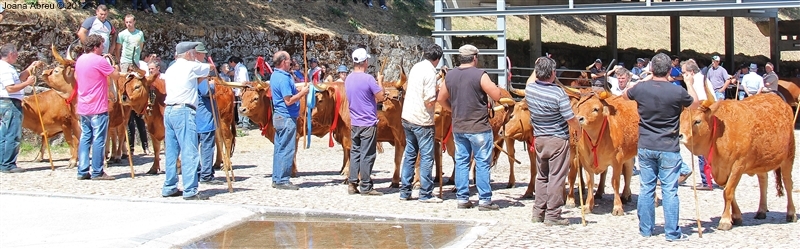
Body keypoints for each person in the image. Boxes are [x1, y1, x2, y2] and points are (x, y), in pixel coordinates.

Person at [623, 53, 698, 242]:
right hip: (668, 145)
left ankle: (646, 229)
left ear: (651, 69)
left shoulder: (641, 89)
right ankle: (672, 232)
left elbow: (624, 95)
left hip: (646, 144)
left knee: (647, 188)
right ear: (670, 70)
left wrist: (646, 78)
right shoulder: (676, 91)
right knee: (669, 190)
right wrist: (689, 83)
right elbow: (695, 104)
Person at [437, 44, 503, 211]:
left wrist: (453, 109)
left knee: (461, 162)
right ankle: (485, 200)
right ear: (475, 58)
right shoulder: (480, 74)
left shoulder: (450, 76)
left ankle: (462, 198)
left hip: (459, 126)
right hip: (479, 126)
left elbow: (441, 99)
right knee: (482, 162)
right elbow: (496, 95)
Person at [526, 56, 580, 225]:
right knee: (556, 177)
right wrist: (578, 129)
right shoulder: (558, 93)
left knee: (542, 176)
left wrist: (538, 65)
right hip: (557, 139)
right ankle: (553, 215)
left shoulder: (530, 90)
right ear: (553, 73)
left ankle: (538, 212)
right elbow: (570, 118)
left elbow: (531, 80)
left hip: (540, 138)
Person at [162, 41, 213, 200]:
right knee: (189, 150)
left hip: (169, 109)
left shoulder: (171, 69)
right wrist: (200, 62)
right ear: (189, 53)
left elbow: (190, 82)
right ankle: (190, 189)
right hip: (184, 110)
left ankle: (169, 186)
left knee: (171, 151)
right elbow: (210, 67)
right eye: (193, 52)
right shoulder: (190, 66)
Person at [399, 44, 443, 203]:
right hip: (422, 120)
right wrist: (438, 91)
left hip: (407, 116)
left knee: (410, 154)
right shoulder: (431, 73)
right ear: (437, 59)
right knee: (426, 157)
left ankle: (405, 192)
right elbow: (430, 101)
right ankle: (425, 194)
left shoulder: (416, 67)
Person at [74, 34, 119, 180]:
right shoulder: (100, 60)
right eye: (101, 46)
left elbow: (76, 77)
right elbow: (115, 76)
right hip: (98, 105)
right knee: (99, 138)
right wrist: (114, 66)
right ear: (96, 47)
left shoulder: (80, 60)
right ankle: (97, 171)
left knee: (85, 137)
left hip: (83, 105)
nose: (102, 48)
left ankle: (82, 170)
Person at [345, 48, 387, 196]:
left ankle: (352, 183)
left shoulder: (348, 78)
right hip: (368, 122)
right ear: (364, 62)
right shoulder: (368, 79)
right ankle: (366, 186)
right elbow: (381, 96)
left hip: (355, 121)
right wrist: (380, 81)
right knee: (367, 154)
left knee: (355, 152)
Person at [270, 50, 309, 190]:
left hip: (279, 115)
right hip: (286, 116)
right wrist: (303, 93)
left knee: (279, 147)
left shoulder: (274, 75)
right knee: (287, 148)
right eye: (288, 60)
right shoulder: (284, 78)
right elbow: (288, 100)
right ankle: (282, 180)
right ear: (283, 62)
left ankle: (277, 177)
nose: (290, 62)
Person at [0, 44, 41, 173]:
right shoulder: (5, 69)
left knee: (4, 133)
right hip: (10, 103)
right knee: (12, 133)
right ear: (11, 54)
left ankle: (3, 161)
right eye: (16, 54)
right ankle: (8, 164)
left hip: (7, 102)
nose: (17, 56)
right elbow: (10, 88)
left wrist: (30, 68)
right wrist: (27, 84)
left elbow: (19, 78)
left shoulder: (7, 67)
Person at [192, 43, 223, 185]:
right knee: (207, 145)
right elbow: (205, 91)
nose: (205, 56)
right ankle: (206, 174)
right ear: (197, 54)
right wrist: (212, 85)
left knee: (194, 146)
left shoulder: (188, 69)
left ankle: (196, 172)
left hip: (193, 114)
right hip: (204, 115)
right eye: (203, 54)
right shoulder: (200, 70)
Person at [681, 59, 713, 190]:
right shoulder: (702, 78)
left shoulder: (697, 81)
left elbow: (697, 101)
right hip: (700, 118)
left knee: (701, 149)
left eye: (684, 73)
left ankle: (706, 181)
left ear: (691, 72)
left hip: (699, 119)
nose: (682, 75)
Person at [223, 56, 251, 129]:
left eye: (230, 63)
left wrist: (241, 91)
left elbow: (242, 80)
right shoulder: (238, 68)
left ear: (232, 62)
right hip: (239, 90)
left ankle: (245, 123)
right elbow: (234, 74)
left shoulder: (241, 68)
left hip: (242, 90)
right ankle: (240, 121)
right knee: (239, 106)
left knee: (244, 106)